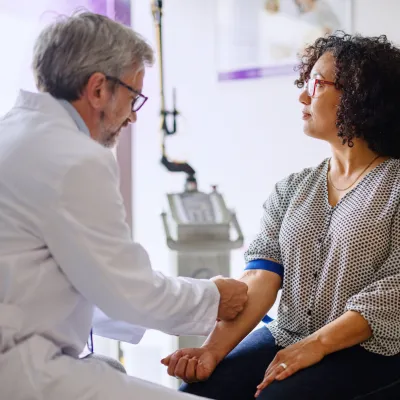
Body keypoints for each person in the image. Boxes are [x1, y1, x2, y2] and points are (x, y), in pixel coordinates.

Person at [0, 12, 249, 400]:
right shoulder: (75, 159)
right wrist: (214, 297)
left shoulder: (13, 132)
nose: (133, 115)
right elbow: (131, 291)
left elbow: (67, 284)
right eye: (134, 96)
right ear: (99, 89)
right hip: (21, 369)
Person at [162, 33, 400, 399]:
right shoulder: (292, 189)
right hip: (288, 333)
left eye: (317, 85)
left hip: (369, 347)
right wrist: (211, 351)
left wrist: (317, 344)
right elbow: (260, 277)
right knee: (197, 392)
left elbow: (393, 291)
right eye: (305, 83)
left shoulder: (395, 185)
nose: (303, 96)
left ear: (358, 95)